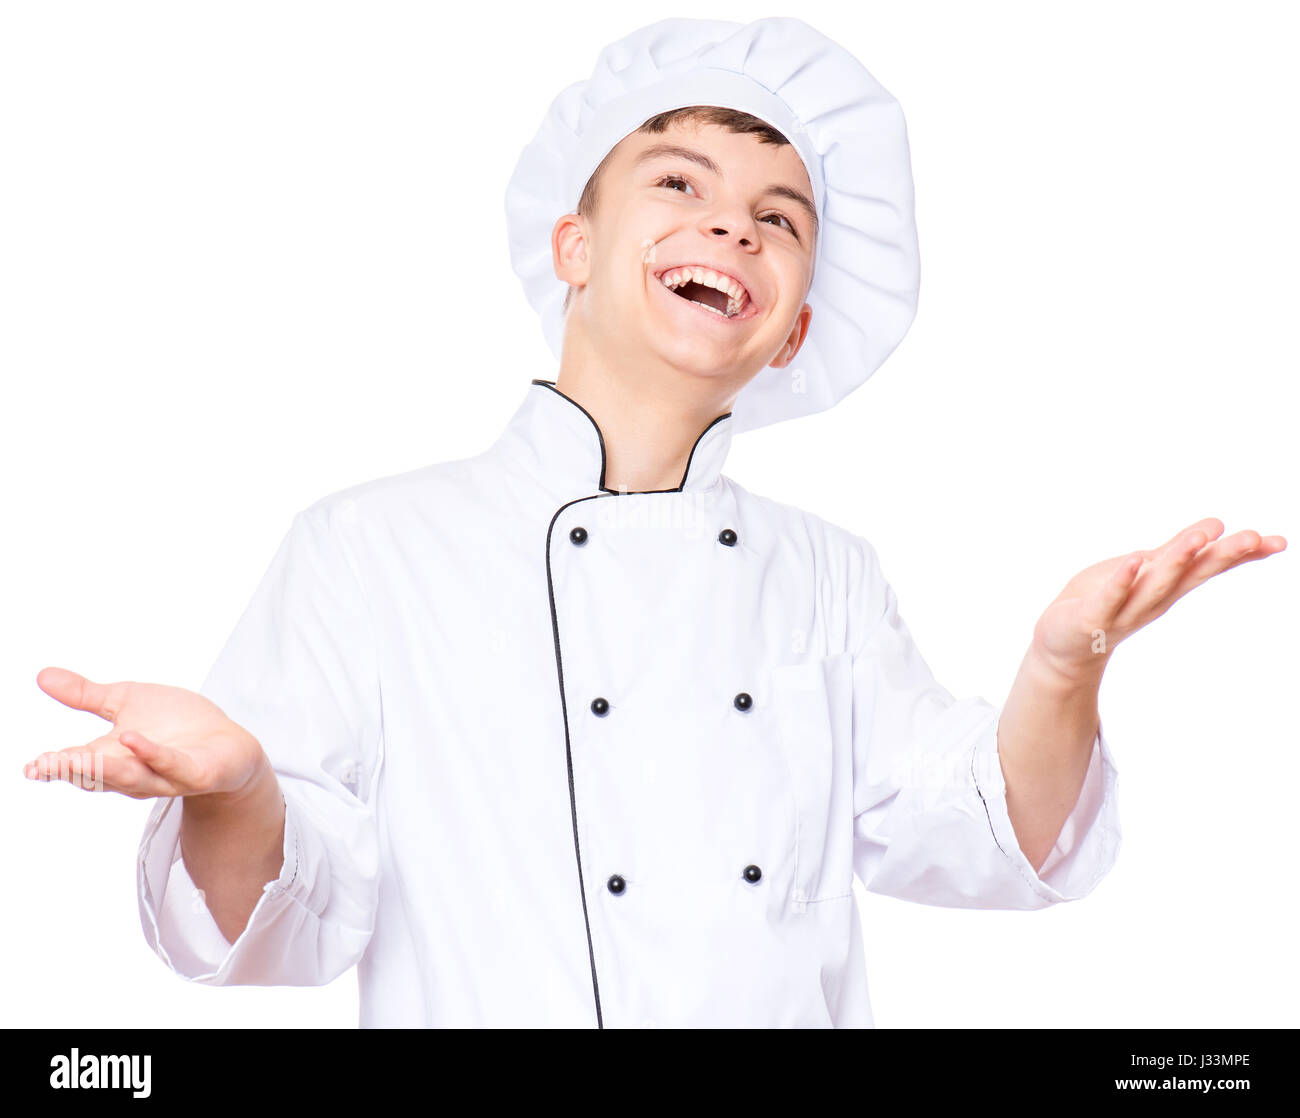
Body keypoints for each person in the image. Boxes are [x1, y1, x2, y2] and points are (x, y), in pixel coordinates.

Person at [24, 17, 1285, 1028]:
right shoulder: (371, 546)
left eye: (780, 217)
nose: (733, 222)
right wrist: (238, 791)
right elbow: (279, 930)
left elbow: (985, 839)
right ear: (572, 245)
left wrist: (1065, 667)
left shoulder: (826, 575)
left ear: (791, 326)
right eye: (679, 179)